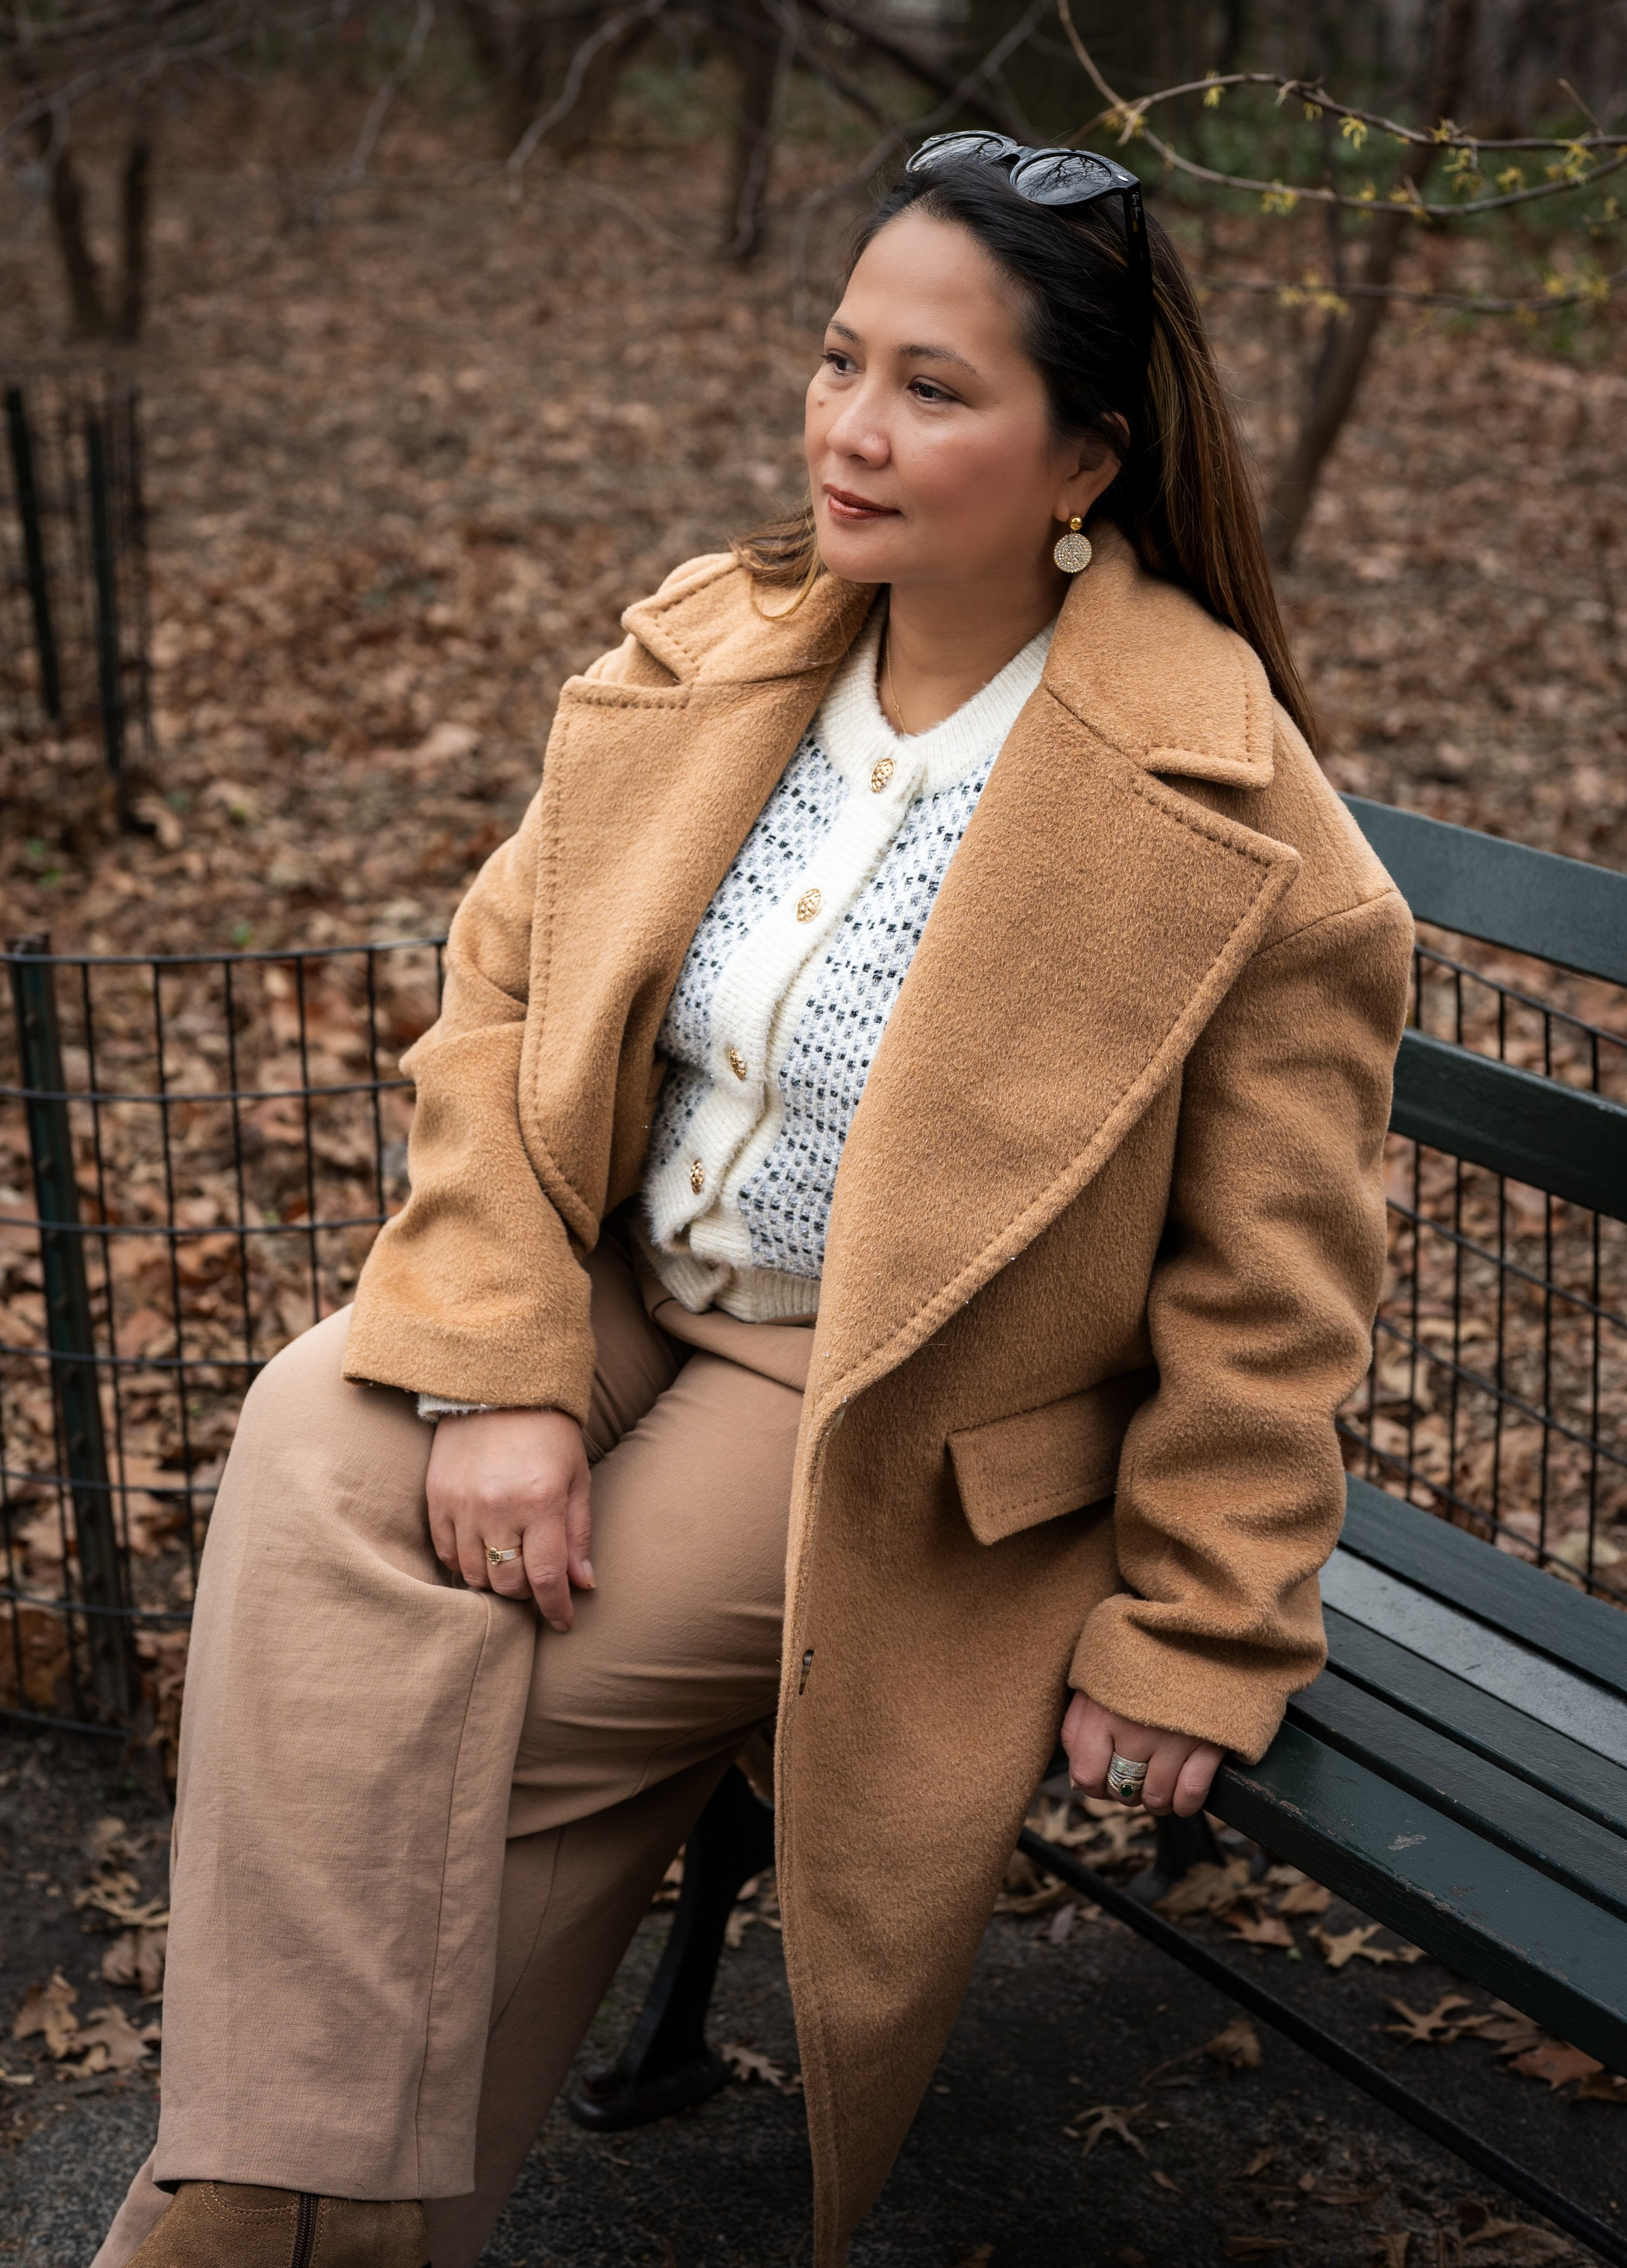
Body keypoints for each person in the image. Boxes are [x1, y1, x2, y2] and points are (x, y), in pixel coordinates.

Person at [94, 136, 1412, 2268]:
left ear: (1087, 458)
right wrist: (504, 1371)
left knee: (466, 1717)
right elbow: (503, 1007)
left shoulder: (1241, 826)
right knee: (314, 1430)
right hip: (622, 1280)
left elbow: (1280, 1292)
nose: (849, 430)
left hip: (868, 1405)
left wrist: (1201, 1624)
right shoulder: (720, 648)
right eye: (834, 360)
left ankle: (229, 2231)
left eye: (930, 388)